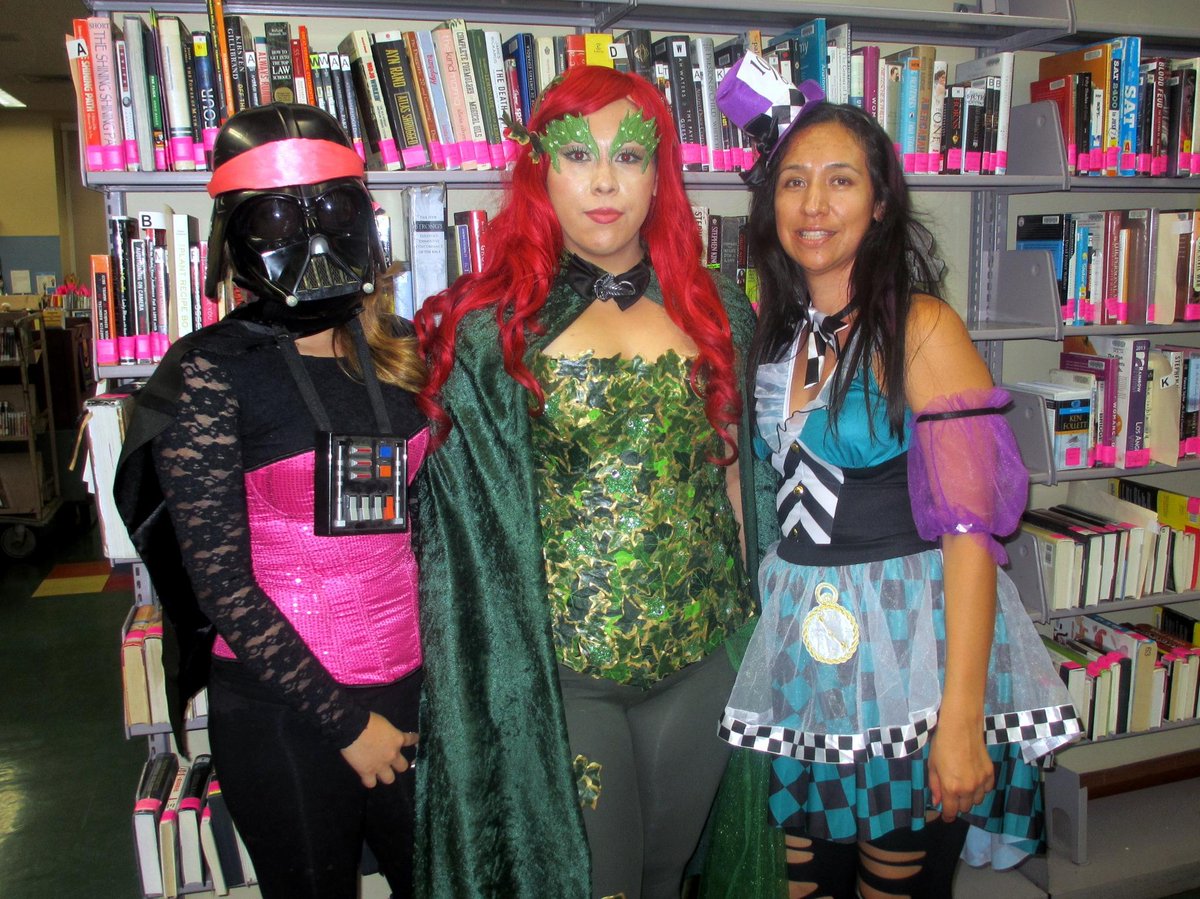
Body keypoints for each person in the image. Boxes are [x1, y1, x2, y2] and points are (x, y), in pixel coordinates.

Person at [699, 56, 1083, 898]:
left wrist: (960, 721)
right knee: (796, 874)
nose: (814, 203)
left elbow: (972, 538)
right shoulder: (778, 331)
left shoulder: (922, 327)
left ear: (879, 203)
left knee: (893, 885)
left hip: (910, 656)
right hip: (805, 652)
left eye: (840, 180)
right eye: (794, 181)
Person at [412, 65, 776, 899]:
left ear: (659, 175)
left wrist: (758, 630)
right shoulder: (488, 332)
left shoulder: (719, 309)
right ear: (542, 169)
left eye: (630, 156)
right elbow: (466, 545)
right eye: (579, 154)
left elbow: (738, 485)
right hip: (565, 676)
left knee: (662, 875)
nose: (605, 181)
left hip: (703, 657)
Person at [114, 103, 429, 899]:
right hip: (287, 709)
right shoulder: (209, 372)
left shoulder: (398, 351)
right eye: (282, 217)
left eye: (333, 210)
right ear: (236, 235)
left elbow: (427, 525)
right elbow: (221, 584)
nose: (315, 238)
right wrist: (346, 722)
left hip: (413, 685)